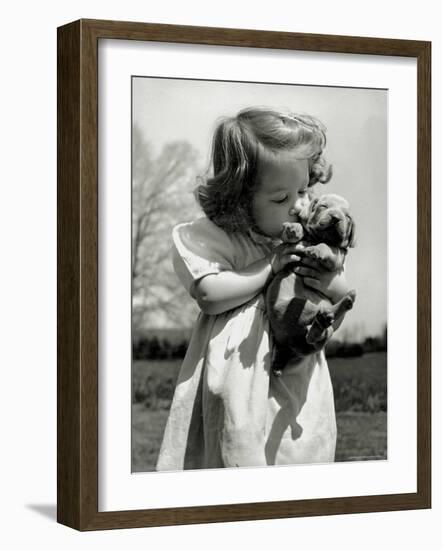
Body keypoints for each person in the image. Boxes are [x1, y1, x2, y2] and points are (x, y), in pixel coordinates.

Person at [156, 107, 351, 471]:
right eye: (280, 199)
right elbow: (209, 295)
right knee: (234, 448)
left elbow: (341, 291)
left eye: (303, 189)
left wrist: (322, 278)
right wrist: (269, 266)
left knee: (295, 454)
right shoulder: (224, 240)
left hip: (295, 375)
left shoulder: (308, 239)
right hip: (237, 378)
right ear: (240, 200)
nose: (298, 205)